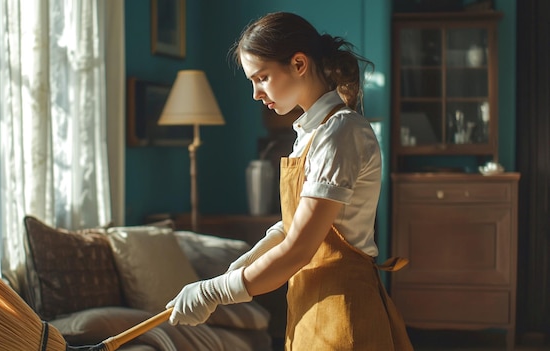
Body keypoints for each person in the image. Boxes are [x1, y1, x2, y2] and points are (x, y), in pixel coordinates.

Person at [166, 11, 413, 350]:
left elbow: (299, 247)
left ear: (299, 64)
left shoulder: (339, 132)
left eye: (262, 78)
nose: (255, 93)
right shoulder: (309, 134)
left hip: (342, 309)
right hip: (308, 303)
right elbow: (292, 225)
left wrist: (217, 292)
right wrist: (245, 262)